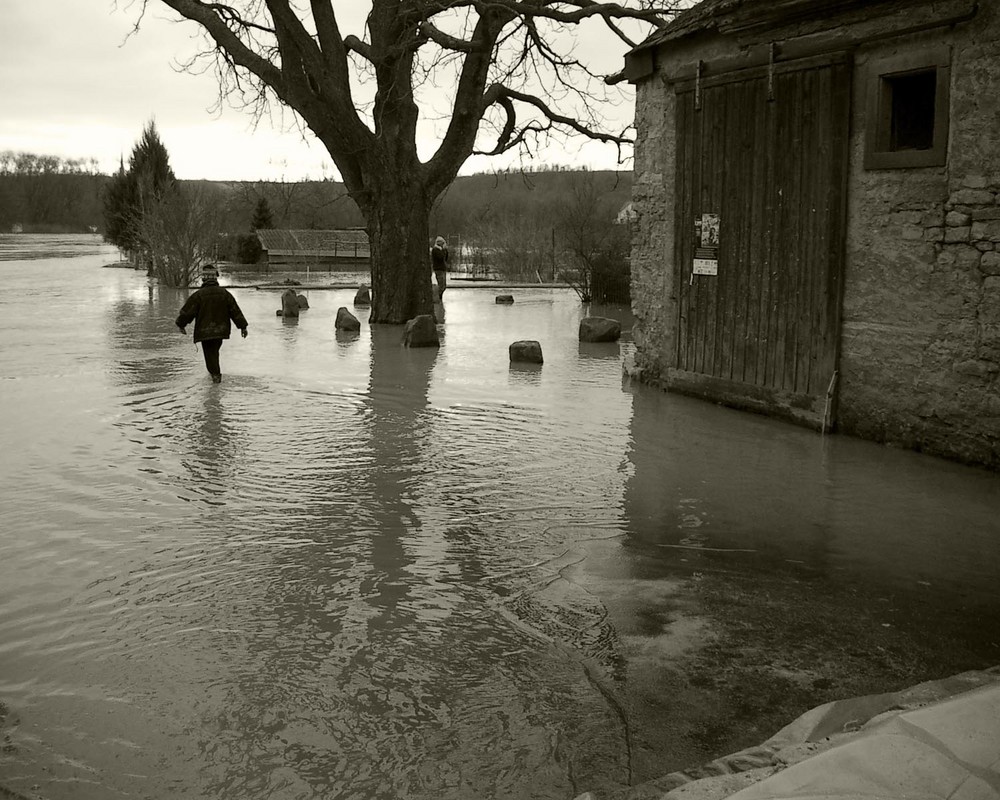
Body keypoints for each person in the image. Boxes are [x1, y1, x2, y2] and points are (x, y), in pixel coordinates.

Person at [175, 264, 248, 383]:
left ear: (204, 279)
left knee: (210, 355)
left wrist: (180, 324)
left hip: (205, 332)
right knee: (214, 352)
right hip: (221, 330)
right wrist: (243, 327)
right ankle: (215, 380)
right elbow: (235, 311)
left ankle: (216, 379)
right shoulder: (225, 294)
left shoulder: (198, 295)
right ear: (215, 278)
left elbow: (187, 313)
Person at [430, 236, 449, 300]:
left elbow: (445, 258)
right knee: (441, 285)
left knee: (444, 285)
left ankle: (439, 297)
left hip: (443, 269)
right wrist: (443, 250)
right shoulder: (435, 250)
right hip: (438, 269)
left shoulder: (441, 250)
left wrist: (445, 250)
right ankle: (437, 297)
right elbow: (440, 257)